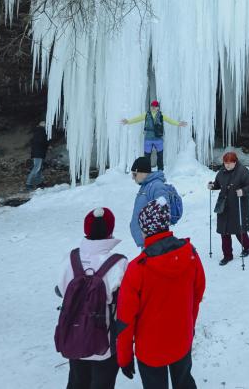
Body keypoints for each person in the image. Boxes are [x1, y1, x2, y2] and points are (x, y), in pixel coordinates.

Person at [116, 198, 205, 389]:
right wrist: (190, 326)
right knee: (184, 382)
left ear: (146, 229)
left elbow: (125, 319)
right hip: (182, 338)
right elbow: (197, 295)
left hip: (150, 349)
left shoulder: (137, 269)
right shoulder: (191, 253)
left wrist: (124, 357)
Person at [57, 208, 128, 389]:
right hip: (104, 340)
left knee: (77, 380)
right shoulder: (119, 263)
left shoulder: (70, 258)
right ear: (110, 230)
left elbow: (61, 290)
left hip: (74, 335)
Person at [207, 151, 249, 266]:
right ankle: (227, 255)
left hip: (237, 204)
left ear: (235, 162)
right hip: (223, 205)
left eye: (230, 163)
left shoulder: (242, 171)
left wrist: (243, 191)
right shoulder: (221, 172)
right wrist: (212, 186)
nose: (227, 165)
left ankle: (248, 245)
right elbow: (218, 184)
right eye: (225, 163)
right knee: (224, 231)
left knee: (238, 230)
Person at [121, 100, 187, 172]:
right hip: (148, 139)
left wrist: (178, 123)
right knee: (147, 157)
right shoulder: (146, 114)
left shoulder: (161, 115)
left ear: (158, 107)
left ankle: (160, 171)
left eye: (155, 106)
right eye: (152, 106)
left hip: (158, 139)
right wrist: (128, 121)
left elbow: (170, 120)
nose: (153, 108)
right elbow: (137, 119)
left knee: (160, 156)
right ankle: (146, 172)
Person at [129, 156, 177, 248]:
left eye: (135, 174)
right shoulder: (146, 186)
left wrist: (152, 237)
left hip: (154, 242)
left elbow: (163, 213)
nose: (133, 178)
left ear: (143, 173)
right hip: (147, 241)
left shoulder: (157, 186)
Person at [26, 120, 49, 190]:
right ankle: (28, 183)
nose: (46, 125)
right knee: (36, 168)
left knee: (39, 168)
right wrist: (47, 145)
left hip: (39, 152)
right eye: (44, 124)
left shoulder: (38, 131)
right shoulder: (40, 131)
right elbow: (41, 142)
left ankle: (39, 183)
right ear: (41, 124)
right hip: (38, 153)